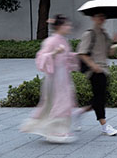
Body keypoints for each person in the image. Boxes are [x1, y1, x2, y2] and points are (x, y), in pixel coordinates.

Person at [20, 15, 79, 143]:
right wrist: (54, 53)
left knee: (63, 101)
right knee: (59, 102)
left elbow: (67, 57)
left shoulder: (63, 40)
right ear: (59, 26)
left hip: (63, 75)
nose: (69, 27)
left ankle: (58, 129)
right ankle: (56, 131)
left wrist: (76, 56)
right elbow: (41, 57)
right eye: (66, 25)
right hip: (55, 76)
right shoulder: (51, 41)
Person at [75, 12, 117, 136]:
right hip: (94, 71)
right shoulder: (89, 34)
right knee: (99, 98)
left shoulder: (104, 34)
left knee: (100, 97)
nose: (101, 18)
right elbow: (82, 53)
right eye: (98, 16)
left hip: (104, 70)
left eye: (103, 16)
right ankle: (104, 125)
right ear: (93, 18)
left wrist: (115, 42)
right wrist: (93, 66)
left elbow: (109, 53)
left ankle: (80, 112)